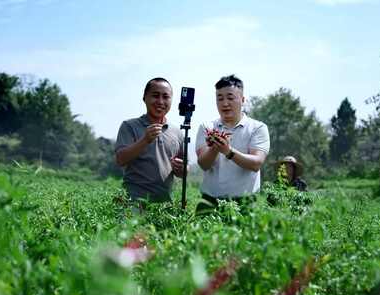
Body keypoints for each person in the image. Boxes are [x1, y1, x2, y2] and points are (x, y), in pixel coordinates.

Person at [195, 75, 270, 208]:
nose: (225, 103)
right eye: (220, 98)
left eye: (230, 98)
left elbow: (256, 163)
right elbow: (203, 164)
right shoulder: (207, 128)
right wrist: (214, 148)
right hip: (209, 201)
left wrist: (229, 152)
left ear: (242, 100)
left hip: (245, 203)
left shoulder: (257, 128)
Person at [115, 77, 185, 204]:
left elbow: (183, 170)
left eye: (165, 97)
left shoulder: (177, 132)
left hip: (165, 204)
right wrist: (145, 140)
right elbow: (120, 159)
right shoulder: (129, 126)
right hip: (134, 201)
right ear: (144, 98)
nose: (160, 101)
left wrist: (183, 169)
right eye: (155, 96)